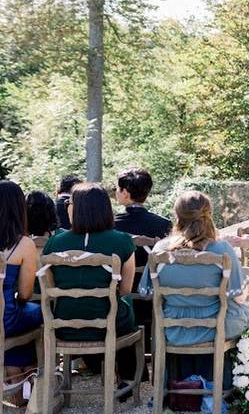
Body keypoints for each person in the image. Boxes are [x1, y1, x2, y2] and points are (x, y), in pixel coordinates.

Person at [139, 191, 249, 385]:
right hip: (213, 328)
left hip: (172, 329)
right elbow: (238, 294)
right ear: (209, 215)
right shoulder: (222, 249)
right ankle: (236, 384)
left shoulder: (159, 250)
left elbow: (147, 293)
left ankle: (174, 385)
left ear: (177, 217)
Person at [42, 183, 139, 386]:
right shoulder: (122, 240)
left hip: (63, 326)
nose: (67, 206)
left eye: (70, 202)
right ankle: (127, 378)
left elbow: (52, 289)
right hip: (107, 326)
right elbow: (125, 290)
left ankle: (98, 367)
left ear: (77, 209)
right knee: (125, 306)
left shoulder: (54, 243)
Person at [113, 167, 171, 366]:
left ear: (126, 193)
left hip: (120, 298)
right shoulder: (163, 225)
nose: (115, 192)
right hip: (152, 296)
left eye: (117, 189)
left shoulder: (112, 225)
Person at [0, 181, 43, 390]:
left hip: (5, 320)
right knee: (38, 311)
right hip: (6, 319)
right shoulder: (23, 244)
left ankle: (14, 373)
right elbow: (25, 293)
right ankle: (29, 374)